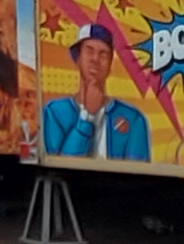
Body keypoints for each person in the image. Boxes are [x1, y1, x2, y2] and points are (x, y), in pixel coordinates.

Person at [36, 23, 148, 161]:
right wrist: (87, 117)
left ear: (110, 65)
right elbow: (61, 165)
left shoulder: (133, 119)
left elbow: (138, 171)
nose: (95, 59)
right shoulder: (54, 113)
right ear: (77, 58)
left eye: (103, 54)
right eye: (89, 51)